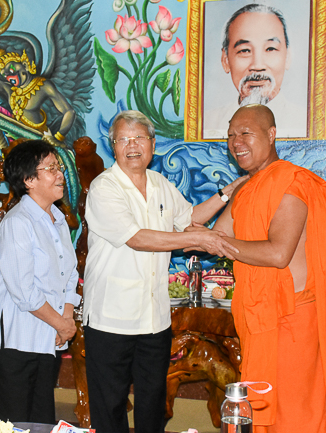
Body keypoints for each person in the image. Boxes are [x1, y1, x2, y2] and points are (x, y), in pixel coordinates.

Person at [206, 104, 326, 432]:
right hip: (260, 318)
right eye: (231, 135)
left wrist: (215, 243)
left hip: (294, 320)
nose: (236, 142)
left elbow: (278, 254)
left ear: (271, 134)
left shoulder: (292, 183)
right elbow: (218, 234)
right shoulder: (247, 188)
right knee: (263, 407)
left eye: (246, 133)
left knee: (296, 414)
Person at [83, 110, 239, 433]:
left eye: (139, 137)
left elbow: (191, 217)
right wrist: (194, 237)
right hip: (111, 318)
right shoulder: (104, 188)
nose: (132, 145)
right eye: (123, 139)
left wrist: (229, 193)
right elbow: (137, 239)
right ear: (113, 146)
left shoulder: (160, 184)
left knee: (153, 405)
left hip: (154, 319)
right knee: (110, 407)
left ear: (152, 144)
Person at [0, 140, 81, 424]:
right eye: (50, 168)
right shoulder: (18, 222)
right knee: (11, 423)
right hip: (14, 339)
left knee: (40, 421)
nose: (60, 174)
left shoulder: (57, 219)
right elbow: (24, 291)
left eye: (58, 167)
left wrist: (66, 315)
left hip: (45, 336)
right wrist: (61, 323)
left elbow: (69, 274)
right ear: (28, 180)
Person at [203, 4, 308, 139]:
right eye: (245, 50)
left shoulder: (305, 123)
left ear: (287, 57)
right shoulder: (207, 123)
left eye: (270, 49)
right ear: (225, 60)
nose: (257, 66)